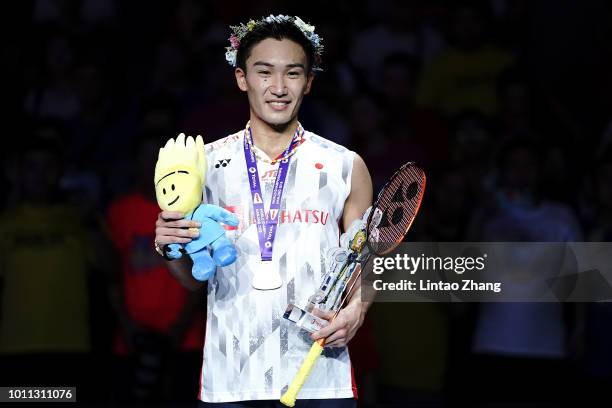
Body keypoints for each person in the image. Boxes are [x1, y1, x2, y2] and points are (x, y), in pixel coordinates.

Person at [154, 15, 373, 407]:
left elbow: (368, 260)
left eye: (292, 73)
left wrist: (357, 310)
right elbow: (192, 280)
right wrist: (169, 248)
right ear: (242, 78)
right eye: (264, 72)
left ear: (308, 82)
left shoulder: (345, 165)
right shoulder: (203, 164)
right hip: (230, 380)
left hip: (320, 377)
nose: (278, 87)